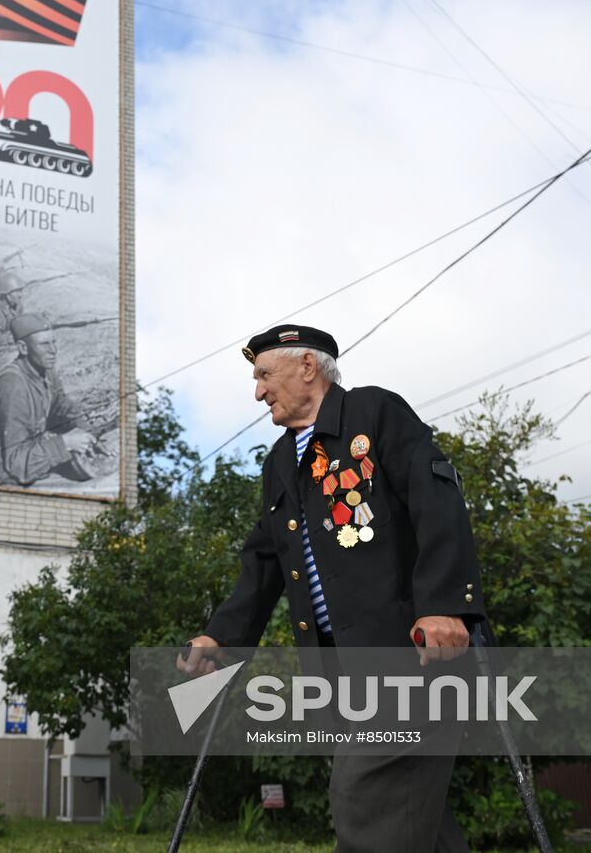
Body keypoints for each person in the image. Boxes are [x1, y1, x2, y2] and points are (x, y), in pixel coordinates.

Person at [177, 324, 486, 853]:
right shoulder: (280, 461)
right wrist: (221, 637)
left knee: (365, 800)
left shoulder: (375, 414)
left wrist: (442, 605)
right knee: (409, 817)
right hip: (341, 672)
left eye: (263, 375)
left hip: (409, 656)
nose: (257, 392)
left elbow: (437, 499)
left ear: (307, 367)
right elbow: (264, 559)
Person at [0, 313, 96, 486]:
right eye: (44, 344)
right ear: (23, 348)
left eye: (53, 342)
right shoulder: (13, 387)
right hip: (0, 474)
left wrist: (88, 433)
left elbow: (61, 406)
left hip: (31, 456)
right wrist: (64, 443)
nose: (53, 350)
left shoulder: (44, 370)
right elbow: (15, 463)